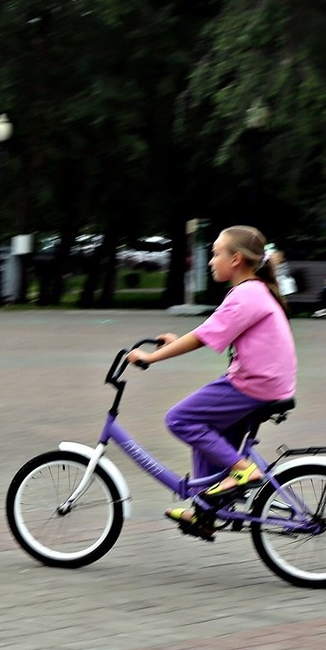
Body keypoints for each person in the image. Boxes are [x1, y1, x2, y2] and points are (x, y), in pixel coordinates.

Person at [126, 225, 296, 541]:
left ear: (236, 259)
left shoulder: (246, 294)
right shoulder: (255, 290)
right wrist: (176, 341)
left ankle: (244, 471)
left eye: (216, 253)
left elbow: (203, 337)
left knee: (182, 418)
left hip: (255, 384)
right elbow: (211, 331)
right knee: (209, 432)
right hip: (267, 382)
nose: (210, 260)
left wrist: (150, 358)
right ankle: (206, 510)